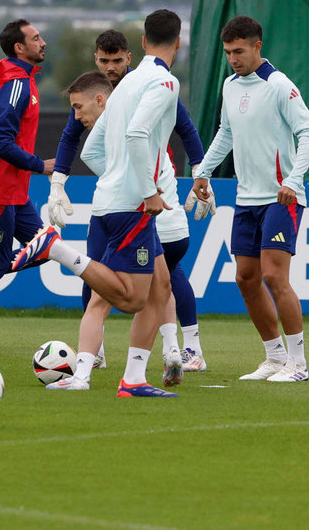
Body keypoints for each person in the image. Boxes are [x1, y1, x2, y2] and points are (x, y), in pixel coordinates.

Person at [15, 9, 189, 398]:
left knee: (156, 289)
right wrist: (146, 189)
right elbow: (138, 133)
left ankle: (89, 377)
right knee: (133, 298)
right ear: (178, 43)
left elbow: (92, 146)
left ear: (142, 44)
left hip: (107, 201)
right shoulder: (164, 81)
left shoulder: (124, 86)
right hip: (133, 207)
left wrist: (118, 173)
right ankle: (57, 250)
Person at [47, 29, 210, 371]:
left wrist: (200, 174)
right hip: (133, 198)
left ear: (129, 58)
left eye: (116, 60)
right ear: (96, 59)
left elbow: (186, 128)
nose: (110, 67)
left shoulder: (145, 85)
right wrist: (59, 183)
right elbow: (74, 136)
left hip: (152, 195)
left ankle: (185, 348)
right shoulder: (99, 93)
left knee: (163, 278)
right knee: (126, 278)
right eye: (103, 61)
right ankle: (116, 355)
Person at [192, 15, 309, 382]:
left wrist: (293, 181)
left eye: (239, 51)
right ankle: (275, 357)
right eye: (228, 52)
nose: (233, 58)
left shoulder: (280, 85)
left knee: (274, 275)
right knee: (246, 279)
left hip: (282, 198)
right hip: (246, 199)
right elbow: (225, 133)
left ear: (257, 46)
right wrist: (203, 171)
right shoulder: (230, 85)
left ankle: (299, 364)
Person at [0, 20, 54, 320]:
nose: (43, 42)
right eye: (36, 38)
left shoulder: (16, 80)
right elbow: (1, 143)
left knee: (45, 248)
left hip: (13, 190)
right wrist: (39, 165)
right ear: (20, 48)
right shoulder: (16, 84)